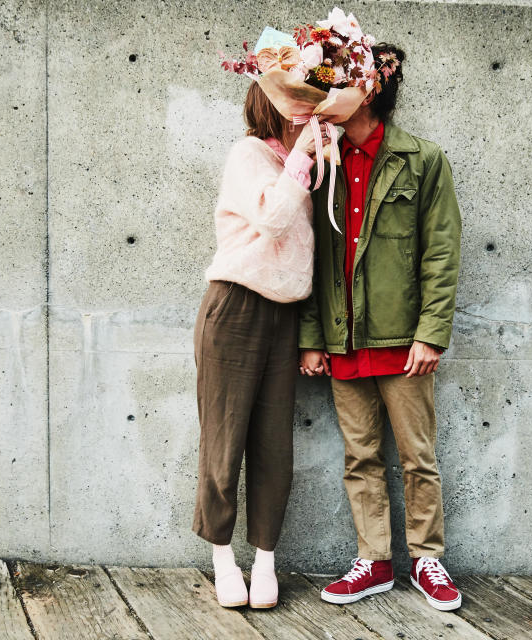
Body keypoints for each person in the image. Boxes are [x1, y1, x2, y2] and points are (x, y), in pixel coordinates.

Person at [298, 43, 464, 611]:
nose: (322, 97)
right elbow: (309, 254)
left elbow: (441, 253)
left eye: (334, 84)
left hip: (403, 340)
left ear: (368, 89)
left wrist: (431, 332)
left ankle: (428, 560)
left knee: (417, 456)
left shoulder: (423, 159)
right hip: (342, 339)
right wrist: (312, 336)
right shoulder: (319, 160)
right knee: (360, 457)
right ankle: (375, 561)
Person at [192, 81, 327, 609]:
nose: (303, 108)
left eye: (309, 99)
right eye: (293, 99)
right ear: (267, 103)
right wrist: (300, 157)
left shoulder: (309, 163)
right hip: (235, 307)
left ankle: (265, 562)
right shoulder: (248, 154)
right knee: (224, 443)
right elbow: (272, 218)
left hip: (285, 315)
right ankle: (222, 559)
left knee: (274, 446)